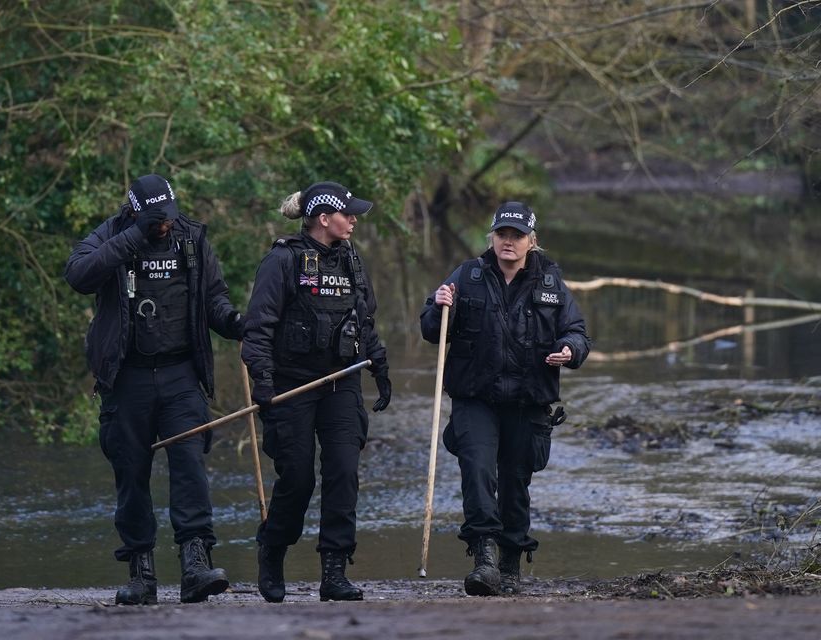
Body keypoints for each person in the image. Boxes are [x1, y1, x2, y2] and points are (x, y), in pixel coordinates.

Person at [64, 174, 244, 605]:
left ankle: (196, 566)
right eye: (155, 219)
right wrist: (131, 238)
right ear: (134, 211)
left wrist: (237, 324)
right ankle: (141, 574)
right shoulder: (111, 234)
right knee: (131, 474)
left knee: (189, 464)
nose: (164, 225)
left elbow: (213, 298)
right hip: (126, 378)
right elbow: (78, 276)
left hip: (181, 374)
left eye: (168, 217)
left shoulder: (192, 238)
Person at [419, 201, 590, 596]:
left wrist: (569, 349)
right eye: (502, 234)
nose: (508, 242)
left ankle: (511, 564)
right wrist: (439, 306)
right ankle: (484, 559)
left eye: (517, 236)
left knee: (516, 482)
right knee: (478, 471)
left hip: (528, 401)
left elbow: (578, 333)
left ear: (532, 240)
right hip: (475, 397)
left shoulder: (550, 283)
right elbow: (432, 329)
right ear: (492, 237)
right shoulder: (467, 276)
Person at [241, 181, 391, 603]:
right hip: (291, 386)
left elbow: (365, 321)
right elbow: (258, 327)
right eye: (348, 213)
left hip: (341, 381)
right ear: (324, 218)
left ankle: (335, 571)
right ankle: (273, 549)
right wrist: (263, 382)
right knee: (299, 478)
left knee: (344, 470)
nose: (355, 219)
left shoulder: (352, 262)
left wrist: (379, 367)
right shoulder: (282, 261)